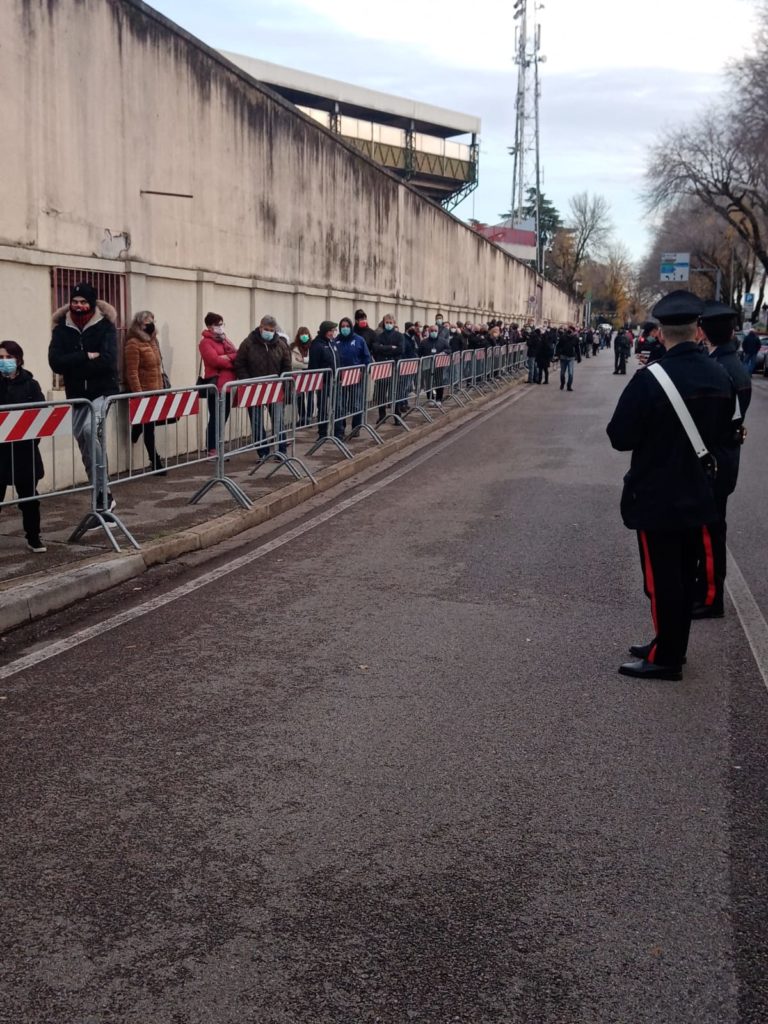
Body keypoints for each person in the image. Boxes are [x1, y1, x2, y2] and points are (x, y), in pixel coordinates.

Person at [606, 290, 735, 680]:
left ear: (661, 334)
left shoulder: (652, 379)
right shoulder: (719, 373)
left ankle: (667, 657)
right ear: (698, 330)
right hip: (700, 492)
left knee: (662, 580)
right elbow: (725, 429)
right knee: (683, 574)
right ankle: (668, 643)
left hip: (658, 495)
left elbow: (620, 436)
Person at [692, 301, 752, 619]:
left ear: (704, 331)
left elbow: (714, 424)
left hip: (715, 460)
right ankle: (704, 589)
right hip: (725, 459)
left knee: (709, 532)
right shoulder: (732, 364)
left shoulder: (720, 369)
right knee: (710, 529)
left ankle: (711, 596)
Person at [48, 281, 119, 511]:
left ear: (91, 303)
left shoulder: (105, 327)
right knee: (84, 443)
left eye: (83, 302)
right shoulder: (61, 329)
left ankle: (103, 492)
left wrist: (76, 362)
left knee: (92, 432)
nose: (78, 306)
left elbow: (108, 361)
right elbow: (56, 362)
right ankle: (101, 493)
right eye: (75, 301)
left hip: (101, 393)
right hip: (77, 395)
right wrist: (85, 356)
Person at [0, 341, 47, 552]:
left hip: (24, 452)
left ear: (18, 359)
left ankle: (34, 537)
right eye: (0, 358)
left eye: (8, 357)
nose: (4, 362)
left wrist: (30, 440)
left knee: (29, 497)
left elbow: (41, 415)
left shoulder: (31, 384)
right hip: (0, 453)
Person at [233, 314, 292, 459]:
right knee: (257, 422)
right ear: (260, 327)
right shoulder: (248, 343)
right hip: (254, 389)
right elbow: (239, 364)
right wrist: (248, 382)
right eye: (266, 329)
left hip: (275, 389)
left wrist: (282, 382)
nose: (269, 332)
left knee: (278, 420)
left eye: (272, 330)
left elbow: (286, 365)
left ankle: (281, 451)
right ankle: (263, 453)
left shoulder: (281, 345)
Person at [124, 311, 167, 475]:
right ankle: (155, 461)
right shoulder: (133, 344)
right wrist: (138, 394)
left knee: (149, 425)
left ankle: (136, 430)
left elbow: (157, 367)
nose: (151, 325)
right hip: (144, 392)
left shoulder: (153, 342)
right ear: (139, 324)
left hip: (156, 390)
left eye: (152, 321)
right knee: (149, 428)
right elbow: (132, 372)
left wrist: (162, 388)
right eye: (147, 322)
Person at [199, 312, 238, 456]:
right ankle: (211, 448)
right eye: (217, 324)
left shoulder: (224, 340)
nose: (220, 327)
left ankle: (218, 445)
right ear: (209, 326)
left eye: (221, 324)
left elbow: (237, 354)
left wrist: (227, 357)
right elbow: (214, 361)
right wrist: (230, 362)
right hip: (216, 385)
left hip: (228, 386)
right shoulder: (205, 343)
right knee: (216, 417)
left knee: (224, 417)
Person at [335, 316, 372, 438]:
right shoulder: (336, 341)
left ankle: (356, 428)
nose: (345, 328)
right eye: (342, 327)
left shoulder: (359, 340)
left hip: (356, 377)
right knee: (341, 405)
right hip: (341, 378)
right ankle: (341, 429)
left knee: (356, 404)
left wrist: (364, 370)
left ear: (351, 327)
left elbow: (367, 357)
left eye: (347, 326)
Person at [308, 320, 339, 439]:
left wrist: (339, 376)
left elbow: (337, 361)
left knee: (337, 407)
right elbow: (314, 365)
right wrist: (316, 380)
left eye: (334, 330)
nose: (333, 333)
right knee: (323, 408)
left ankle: (337, 432)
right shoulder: (317, 345)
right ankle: (322, 433)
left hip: (335, 381)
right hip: (323, 382)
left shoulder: (333, 343)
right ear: (325, 331)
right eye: (331, 330)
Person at [372, 314, 404, 424]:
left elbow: (400, 350)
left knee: (395, 392)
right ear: (383, 323)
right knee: (381, 392)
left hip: (394, 367)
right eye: (387, 322)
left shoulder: (399, 336)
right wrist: (390, 347)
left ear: (394, 323)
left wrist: (383, 348)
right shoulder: (379, 336)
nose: (389, 324)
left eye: (391, 322)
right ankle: (382, 416)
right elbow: (376, 348)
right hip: (382, 367)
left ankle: (396, 415)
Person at [419, 324, 450, 405]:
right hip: (427, 364)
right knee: (428, 382)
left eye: (435, 331)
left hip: (439, 364)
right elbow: (419, 352)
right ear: (429, 331)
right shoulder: (424, 342)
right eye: (432, 331)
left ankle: (439, 399)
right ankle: (430, 398)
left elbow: (449, 349)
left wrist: (444, 352)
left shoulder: (443, 341)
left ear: (438, 331)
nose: (433, 332)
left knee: (439, 381)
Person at [289, 326, 313, 427]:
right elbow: (294, 363)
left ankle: (309, 418)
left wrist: (303, 360)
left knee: (310, 396)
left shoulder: (312, 346)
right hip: (298, 374)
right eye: (302, 334)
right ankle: (302, 417)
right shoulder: (293, 347)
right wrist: (306, 362)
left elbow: (312, 361)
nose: (304, 336)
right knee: (300, 397)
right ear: (298, 336)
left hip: (310, 373)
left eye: (306, 334)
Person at [555, 327, 581, 391]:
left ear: (573, 331)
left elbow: (577, 348)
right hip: (563, 357)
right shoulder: (563, 337)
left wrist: (579, 357)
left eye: (571, 330)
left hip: (571, 357)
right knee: (562, 373)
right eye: (568, 330)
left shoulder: (575, 339)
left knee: (570, 373)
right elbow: (558, 346)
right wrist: (557, 355)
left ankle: (569, 385)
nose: (569, 331)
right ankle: (562, 383)